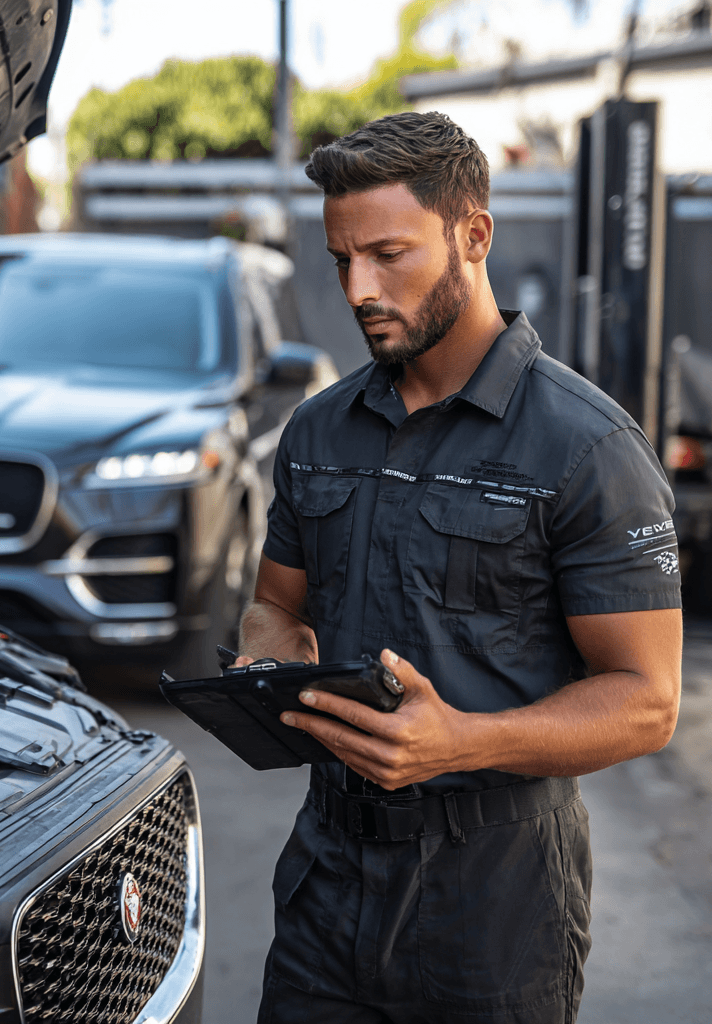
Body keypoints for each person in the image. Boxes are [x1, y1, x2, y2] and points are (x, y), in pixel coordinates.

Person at [237, 111, 682, 1024]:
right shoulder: (317, 433)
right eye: (341, 259)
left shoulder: (585, 444)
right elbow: (272, 605)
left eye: (388, 254)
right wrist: (270, 663)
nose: (359, 288)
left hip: (497, 901)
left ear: (473, 234)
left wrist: (460, 743)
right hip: (325, 879)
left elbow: (648, 698)